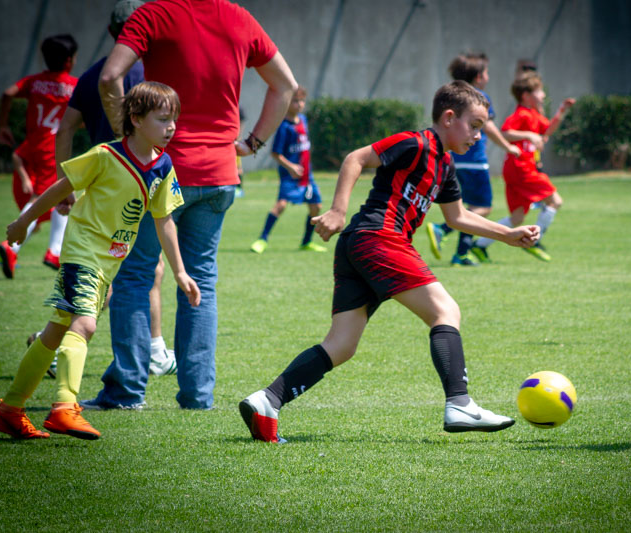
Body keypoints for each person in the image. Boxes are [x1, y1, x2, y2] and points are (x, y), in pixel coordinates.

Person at [239, 81, 540, 443]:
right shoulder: (415, 143)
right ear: (448, 117)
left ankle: (267, 401)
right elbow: (356, 158)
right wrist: (337, 209)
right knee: (445, 311)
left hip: (360, 244)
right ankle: (459, 402)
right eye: (474, 125)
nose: (479, 135)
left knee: (342, 345)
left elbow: (458, 217)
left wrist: (507, 235)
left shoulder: (444, 165)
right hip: (379, 237)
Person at [83, 0, 297, 410]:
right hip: (219, 174)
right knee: (201, 281)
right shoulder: (239, 18)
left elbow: (111, 76)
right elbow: (284, 85)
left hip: (160, 171)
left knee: (134, 277)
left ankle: (126, 392)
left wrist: (124, 136)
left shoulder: (153, 14)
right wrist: (252, 143)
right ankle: (197, 397)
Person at [0, 82, 200, 440]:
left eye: (174, 119)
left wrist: (179, 271)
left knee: (57, 331)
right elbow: (60, 188)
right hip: (81, 254)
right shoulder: (105, 155)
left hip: (107, 265)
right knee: (84, 326)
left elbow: (164, 220)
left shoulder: (163, 166)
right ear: (135, 119)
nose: (172, 127)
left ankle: (10, 408)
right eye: (163, 119)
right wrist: (23, 222)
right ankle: (64, 408)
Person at [54, 0, 175, 377]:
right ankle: (152, 351)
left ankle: (57, 342)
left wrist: (67, 184)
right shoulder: (147, 75)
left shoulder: (92, 73)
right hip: (135, 189)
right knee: (145, 271)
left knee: (104, 277)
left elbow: (65, 128)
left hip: (96, 192)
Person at [425, 52, 521, 266]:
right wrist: (507, 147)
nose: (488, 76)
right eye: (486, 72)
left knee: (470, 204)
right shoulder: (479, 99)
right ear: (478, 76)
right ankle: (446, 233)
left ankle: (460, 251)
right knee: (483, 206)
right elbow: (489, 127)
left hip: (455, 159)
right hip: (475, 160)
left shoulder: (455, 95)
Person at [0, 34, 78, 279]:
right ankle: (15, 247)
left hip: (34, 143)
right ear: (69, 61)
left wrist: (3, 125)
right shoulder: (73, 85)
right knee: (55, 195)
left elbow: (8, 93)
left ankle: (52, 250)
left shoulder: (35, 82)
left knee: (53, 197)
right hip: (54, 146)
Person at [472, 71, 574, 262]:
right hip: (522, 169)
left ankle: (479, 246)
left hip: (516, 170)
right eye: (539, 91)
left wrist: (561, 111)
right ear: (526, 96)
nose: (543, 95)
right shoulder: (521, 114)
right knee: (555, 201)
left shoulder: (534, 114)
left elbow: (547, 130)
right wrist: (528, 135)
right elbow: (505, 132)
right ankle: (535, 241)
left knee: (517, 218)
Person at [250, 85, 326, 254]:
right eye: (295, 101)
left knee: (316, 206)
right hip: (289, 176)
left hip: (307, 175)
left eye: (301, 101)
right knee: (281, 205)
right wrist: (291, 167)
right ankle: (262, 239)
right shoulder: (284, 126)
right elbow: (275, 153)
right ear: (287, 103)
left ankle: (306, 242)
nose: (299, 105)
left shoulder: (303, 120)